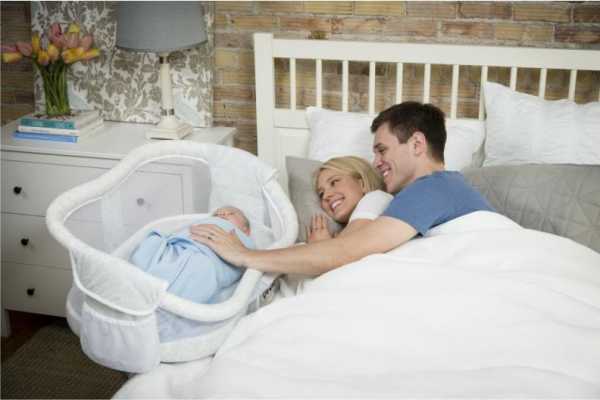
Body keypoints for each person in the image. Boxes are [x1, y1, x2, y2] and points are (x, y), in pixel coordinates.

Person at [190, 101, 494, 277]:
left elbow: (348, 251)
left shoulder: (432, 188)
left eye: (382, 150)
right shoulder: (436, 191)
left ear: (417, 144)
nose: (376, 162)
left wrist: (246, 255)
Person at [130, 206, 254, 304]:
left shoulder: (246, 243)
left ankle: (156, 297)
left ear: (245, 230)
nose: (222, 215)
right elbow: (183, 232)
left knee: (201, 267)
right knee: (154, 242)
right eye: (216, 215)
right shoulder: (203, 223)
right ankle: (142, 284)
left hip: (205, 259)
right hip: (179, 247)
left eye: (230, 213)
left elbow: (245, 258)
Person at [307, 156, 393, 243]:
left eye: (334, 182)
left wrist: (321, 245)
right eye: (321, 194)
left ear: (362, 183)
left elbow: (345, 246)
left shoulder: (377, 198)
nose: (326, 196)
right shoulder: (339, 234)